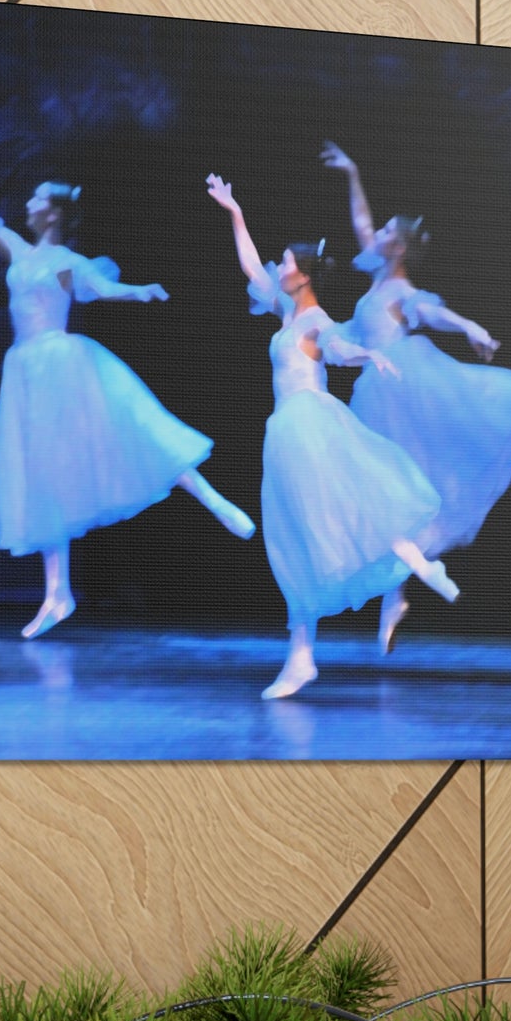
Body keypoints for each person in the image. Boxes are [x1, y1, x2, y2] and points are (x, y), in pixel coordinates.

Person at [0, 116, 254, 639]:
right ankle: (56, 593)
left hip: (63, 365)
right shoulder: (19, 250)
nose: (28, 202)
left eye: (38, 198)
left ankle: (211, 498)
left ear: (54, 212)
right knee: (45, 476)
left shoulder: (64, 260)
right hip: (27, 374)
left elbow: (103, 290)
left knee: (131, 432)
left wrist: (140, 290)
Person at [321, 141, 511, 651]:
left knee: (480, 418)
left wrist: (469, 325)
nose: (370, 236)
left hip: (406, 380)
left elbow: (434, 313)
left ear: (396, 249)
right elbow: (361, 224)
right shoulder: (378, 281)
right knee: (393, 496)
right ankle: (392, 602)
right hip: (378, 393)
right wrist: (353, 173)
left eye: (382, 234)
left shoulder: (399, 291)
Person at [205, 172, 457, 700]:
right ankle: (301, 658)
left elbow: (342, 348)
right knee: (298, 538)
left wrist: (371, 354)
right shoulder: (283, 312)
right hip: (286, 433)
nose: (278, 268)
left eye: (287, 264)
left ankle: (414, 561)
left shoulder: (316, 319)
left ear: (303, 276)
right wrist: (235, 212)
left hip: (311, 424)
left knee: (344, 510)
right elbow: (251, 266)